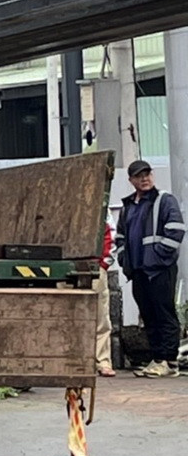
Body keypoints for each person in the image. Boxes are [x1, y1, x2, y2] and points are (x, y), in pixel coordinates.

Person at [116, 160, 185, 378]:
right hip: (138, 271)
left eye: (147, 174)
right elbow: (120, 237)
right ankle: (157, 359)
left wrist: (159, 256)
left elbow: (176, 230)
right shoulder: (129, 206)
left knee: (164, 314)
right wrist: (122, 257)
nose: (144, 178)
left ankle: (169, 361)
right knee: (149, 315)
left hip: (159, 270)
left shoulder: (164, 201)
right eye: (139, 176)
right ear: (131, 180)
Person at [95, 222, 115, 377]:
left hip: (95, 266)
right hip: (63, 265)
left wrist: (103, 265)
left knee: (101, 317)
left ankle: (103, 361)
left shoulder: (98, 207)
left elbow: (108, 232)